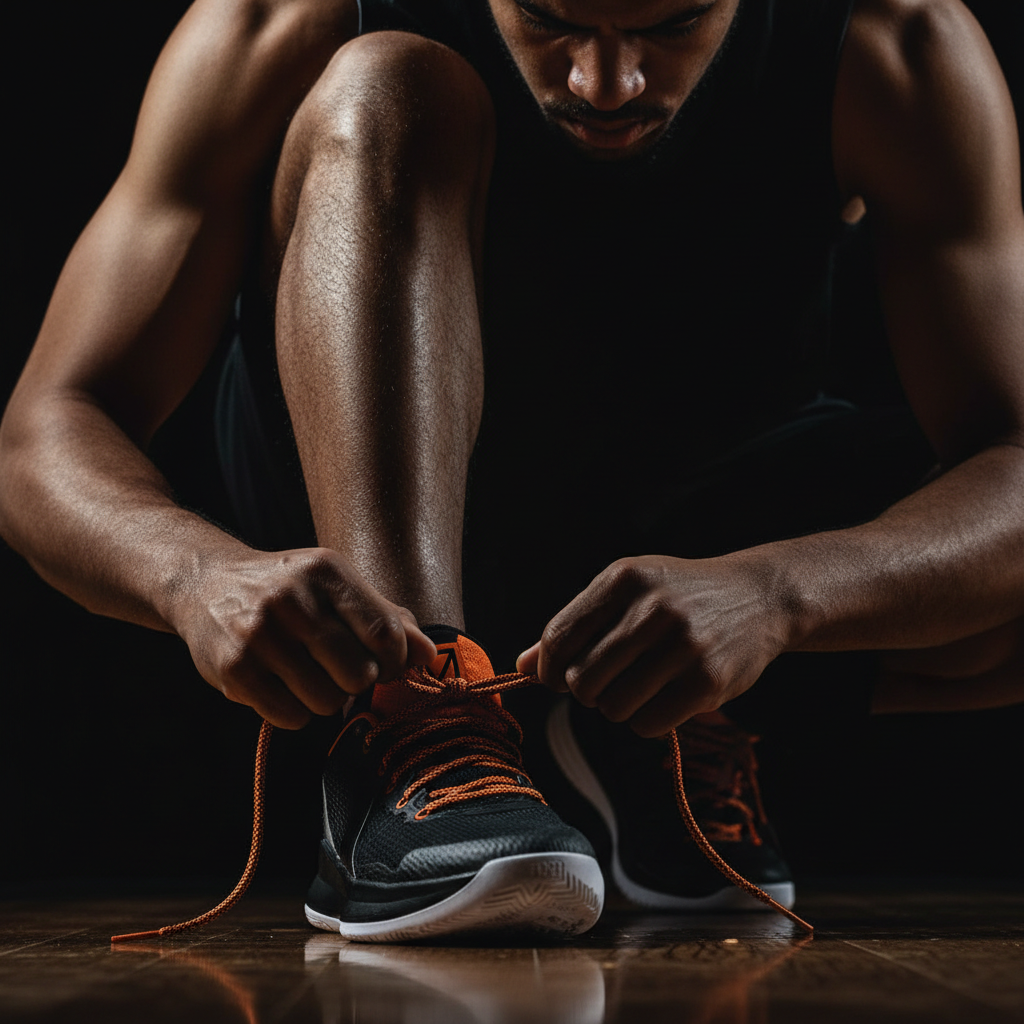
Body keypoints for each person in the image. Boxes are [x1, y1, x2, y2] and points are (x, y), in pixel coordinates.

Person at [1, 0, 1022, 941]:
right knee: (390, 82)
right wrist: (194, 577)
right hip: (363, 546)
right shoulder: (276, 23)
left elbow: (1009, 457)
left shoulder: (896, 45)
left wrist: (777, 594)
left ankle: (643, 727)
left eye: (670, 24)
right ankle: (419, 727)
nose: (606, 82)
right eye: (548, 20)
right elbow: (47, 426)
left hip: (695, 535)